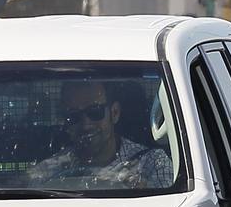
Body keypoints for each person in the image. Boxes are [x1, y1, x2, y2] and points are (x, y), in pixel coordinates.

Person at [25, 81, 172, 189]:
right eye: (73, 116)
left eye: (95, 112)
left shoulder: (153, 164)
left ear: (114, 113)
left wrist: (144, 196)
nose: (86, 124)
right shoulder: (46, 172)